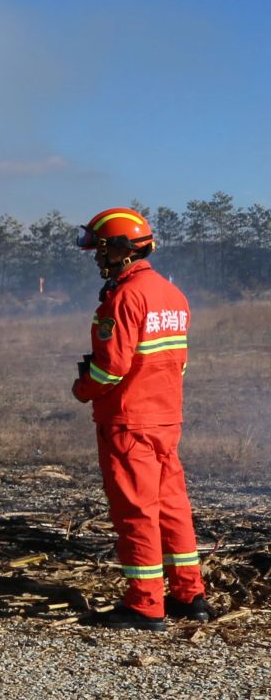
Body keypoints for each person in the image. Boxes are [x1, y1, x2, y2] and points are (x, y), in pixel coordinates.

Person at [72, 207, 209, 630]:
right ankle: (190, 595)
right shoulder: (173, 295)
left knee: (136, 510)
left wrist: (82, 389)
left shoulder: (124, 297)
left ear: (122, 250)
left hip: (129, 420)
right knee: (173, 507)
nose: (98, 259)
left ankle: (146, 604)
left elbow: (110, 368)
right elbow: (177, 363)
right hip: (166, 419)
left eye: (101, 251)